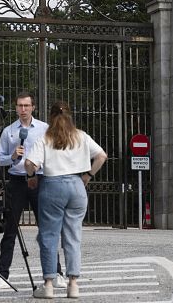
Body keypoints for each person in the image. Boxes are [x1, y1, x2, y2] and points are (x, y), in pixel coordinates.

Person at [25, 101, 107, 299]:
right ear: (70, 116)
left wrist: (31, 176)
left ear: (51, 117)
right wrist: (88, 175)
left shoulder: (45, 137)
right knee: (73, 236)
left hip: (52, 186)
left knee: (49, 236)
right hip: (77, 187)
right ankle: (73, 284)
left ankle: (49, 284)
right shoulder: (81, 136)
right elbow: (102, 155)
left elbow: (29, 163)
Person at [0, 91, 66, 290]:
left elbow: (54, 153)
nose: (23, 110)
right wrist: (13, 156)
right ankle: (2, 275)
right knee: (10, 230)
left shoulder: (44, 129)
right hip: (16, 180)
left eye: (26, 106)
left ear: (33, 107)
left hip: (39, 180)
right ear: (15, 108)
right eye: (20, 106)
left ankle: (56, 272)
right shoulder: (8, 132)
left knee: (47, 228)